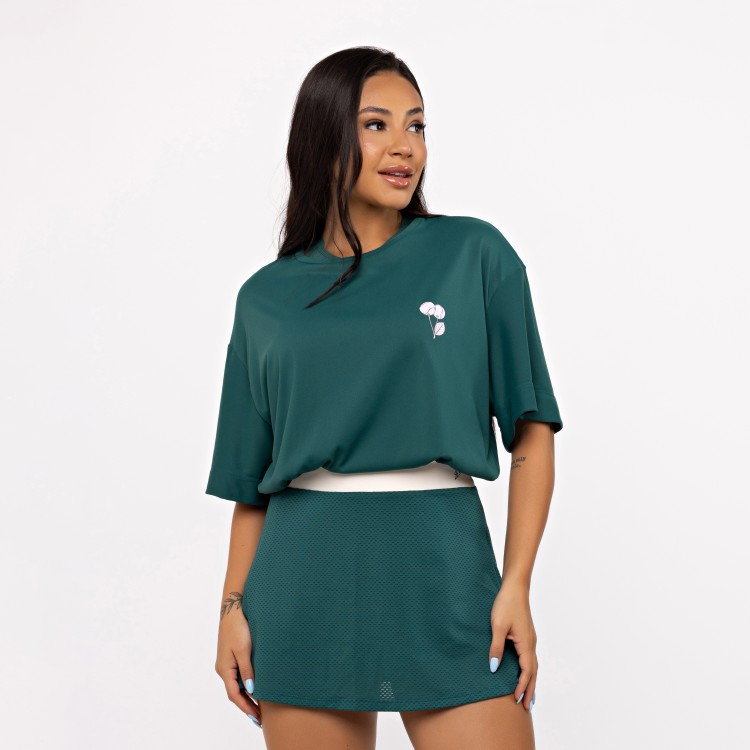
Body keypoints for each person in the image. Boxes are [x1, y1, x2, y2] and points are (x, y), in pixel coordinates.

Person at [205, 46, 563, 750]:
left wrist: (516, 584)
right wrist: (231, 610)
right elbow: (253, 484)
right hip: (304, 582)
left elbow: (532, 432)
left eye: (417, 125)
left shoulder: (473, 254)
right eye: (377, 125)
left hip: (445, 567)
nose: (405, 146)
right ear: (324, 138)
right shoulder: (265, 299)